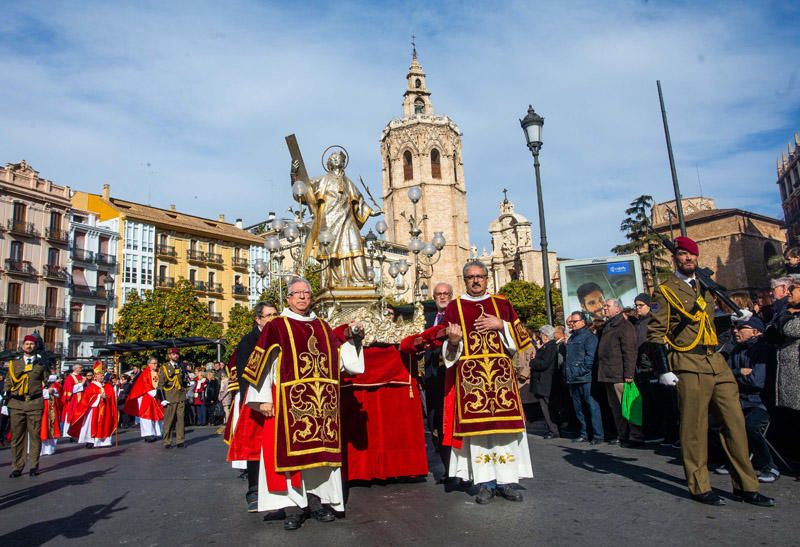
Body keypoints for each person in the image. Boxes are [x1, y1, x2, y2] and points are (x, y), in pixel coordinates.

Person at [648, 236, 774, 507]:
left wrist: (731, 319)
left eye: (692, 254)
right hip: (688, 362)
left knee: (735, 423)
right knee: (694, 428)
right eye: (683, 254)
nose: (688, 259)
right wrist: (663, 369)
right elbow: (656, 333)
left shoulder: (705, 285)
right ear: (675, 258)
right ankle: (699, 485)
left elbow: (708, 324)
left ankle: (746, 485)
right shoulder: (665, 290)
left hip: (715, 361)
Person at [241, 277, 364, 530]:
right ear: (288, 298)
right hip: (289, 405)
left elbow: (340, 360)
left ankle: (316, 502)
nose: (302, 297)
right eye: (297, 293)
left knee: (318, 460)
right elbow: (260, 364)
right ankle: (294, 507)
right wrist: (262, 399)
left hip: (322, 407)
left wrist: (355, 339)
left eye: (306, 293)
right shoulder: (277, 325)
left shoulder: (321, 325)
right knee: (291, 460)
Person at [441, 260, 534, 505]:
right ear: (465, 280)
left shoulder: (502, 304)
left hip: (501, 379)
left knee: (505, 433)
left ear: (486, 278)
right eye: (470, 277)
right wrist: (452, 340)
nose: (475, 280)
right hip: (472, 381)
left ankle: (507, 482)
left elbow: (522, 339)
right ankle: (485, 484)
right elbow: (448, 352)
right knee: (479, 435)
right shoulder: (454, 307)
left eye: (479, 276)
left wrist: (500, 325)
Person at [290, 150, 380, 289]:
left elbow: (359, 200)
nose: (336, 159)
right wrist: (294, 175)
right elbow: (302, 191)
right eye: (333, 158)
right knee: (331, 251)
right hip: (329, 222)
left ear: (343, 163)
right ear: (329, 164)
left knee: (355, 245)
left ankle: (358, 280)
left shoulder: (348, 182)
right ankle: (333, 281)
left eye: (338, 158)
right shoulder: (321, 180)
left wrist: (371, 211)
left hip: (348, 220)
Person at [226, 301, 279, 512]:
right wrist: (259, 400)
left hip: (278, 398)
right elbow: (246, 375)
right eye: (268, 315)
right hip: (256, 400)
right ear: (258, 319)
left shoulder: (281, 336)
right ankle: (254, 490)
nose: (273, 319)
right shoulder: (248, 341)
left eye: (275, 314)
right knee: (254, 447)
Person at [723, 315, 780, 483]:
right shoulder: (736, 349)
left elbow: (757, 381)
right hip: (739, 399)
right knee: (721, 423)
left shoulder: (763, 350)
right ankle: (738, 461)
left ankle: (769, 465)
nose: (735, 331)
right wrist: (739, 371)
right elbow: (725, 374)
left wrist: (735, 375)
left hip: (760, 402)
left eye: (741, 328)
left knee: (751, 426)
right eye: (735, 328)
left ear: (755, 332)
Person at [633, 293, 679, 445]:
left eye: (641, 305)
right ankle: (655, 432)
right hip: (642, 369)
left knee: (663, 403)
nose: (637, 308)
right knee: (650, 403)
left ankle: (668, 434)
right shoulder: (638, 323)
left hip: (654, 368)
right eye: (636, 305)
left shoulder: (652, 322)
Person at [597, 298, 643, 447]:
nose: (604, 308)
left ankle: (635, 436)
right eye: (604, 306)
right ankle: (623, 435)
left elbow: (629, 351)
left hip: (620, 374)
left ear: (617, 309)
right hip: (608, 373)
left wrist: (629, 374)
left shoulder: (624, 326)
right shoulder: (608, 326)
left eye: (607, 306)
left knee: (627, 406)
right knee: (615, 408)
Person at [4, 335, 47, 477]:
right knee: (17, 437)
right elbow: (8, 383)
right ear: (23, 346)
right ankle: (17, 466)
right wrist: (5, 397)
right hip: (17, 404)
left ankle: (34, 465)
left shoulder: (41, 364)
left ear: (35, 347)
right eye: (27, 344)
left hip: (34, 403)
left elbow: (46, 381)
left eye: (32, 344)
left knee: (35, 436)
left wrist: (49, 389)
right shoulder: (14, 364)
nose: (29, 346)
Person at [423, 281, 453, 482]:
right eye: (438, 294)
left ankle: (458, 471)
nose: (442, 297)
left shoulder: (456, 317)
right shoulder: (428, 319)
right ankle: (446, 468)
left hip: (451, 378)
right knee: (436, 425)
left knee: (451, 423)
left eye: (446, 294)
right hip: (432, 379)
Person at [564, 312, 604, 444]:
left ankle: (598, 435)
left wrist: (580, 371)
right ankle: (584, 433)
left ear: (583, 321)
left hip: (585, 378)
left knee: (592, 407)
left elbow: (590, 358)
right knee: (579, 409)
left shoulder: (589, 337)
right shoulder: (572, 338)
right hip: (573, 378)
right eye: (571, 322)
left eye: (574, 321)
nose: (572, 324)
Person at [68, 361, 118, 448]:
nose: (102, 377)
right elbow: (87, 398)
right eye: (100, 375)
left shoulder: (107, 386)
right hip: (94, 410)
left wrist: (108, 395)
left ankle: (103, 441)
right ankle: (90, 441)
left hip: (104, 409)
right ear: (95, 376)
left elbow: (111, 398)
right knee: (91, 425)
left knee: (104, 424)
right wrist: (99, 396)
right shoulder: (92, 386)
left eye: (103, 375)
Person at [529, 325, 560, 439]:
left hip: (545, 381)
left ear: (546, 335)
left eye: (541, 334)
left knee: (547, 406)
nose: (540, 337)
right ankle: (552, 429)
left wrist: (532, 362)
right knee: (545, 406)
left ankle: (553, 430)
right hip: (543, 381)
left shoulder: (550, 347)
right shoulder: (547, 346)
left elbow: (544, 363)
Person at [124, 358, 165, 442]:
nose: (156, 365)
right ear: (149, 364)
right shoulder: (145, 373)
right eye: (154, 363)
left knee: (157, 415)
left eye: (156, 363)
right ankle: (148, 434)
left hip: (156, 396)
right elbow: (146, 384)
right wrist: (154, 392)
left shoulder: (158, 372)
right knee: (147, 415)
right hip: (147, 396)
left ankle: (157, 432)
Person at [159, 348, 188, 448]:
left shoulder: (180, 366)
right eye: (174, 354)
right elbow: (161, 384)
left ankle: (180, 440)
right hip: (170, 396)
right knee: (169, 421)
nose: (176, 356)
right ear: (169, 355)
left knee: (180, 420)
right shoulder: (165, 367)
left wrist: (187, 383)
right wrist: (162, 398)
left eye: (177, 354)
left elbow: (182, 380)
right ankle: (167, 441)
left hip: (180, 396)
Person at [40, 374, 62, 456]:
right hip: (42, 409)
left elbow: (58, 393)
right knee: (43, 427)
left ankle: (49, 449)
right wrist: (46, 392)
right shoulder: (36, 382)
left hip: (50, 408)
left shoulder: (49, 384)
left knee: (51, 427)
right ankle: (40, 450)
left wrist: (53, 390)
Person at [60, 364, 85, 437]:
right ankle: (68, 432)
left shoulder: (81, 377)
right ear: (75, 369)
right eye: (80, 368)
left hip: (81, 399)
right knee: (72, 415)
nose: (81, 369)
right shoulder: (70, 378)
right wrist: (81, 384)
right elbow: (70, 390)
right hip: (73, 400)